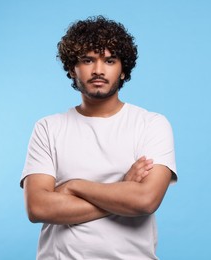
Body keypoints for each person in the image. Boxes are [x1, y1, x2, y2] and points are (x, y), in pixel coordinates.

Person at [20, 15, 177, 259]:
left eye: (110, 60)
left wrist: (72, 187)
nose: (98, 70)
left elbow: (145, 200)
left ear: (123, 70)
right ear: (73, 69)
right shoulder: (48, 127)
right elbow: (38, 207)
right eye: (87, 60)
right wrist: (123, 190)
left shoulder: (151, 124)